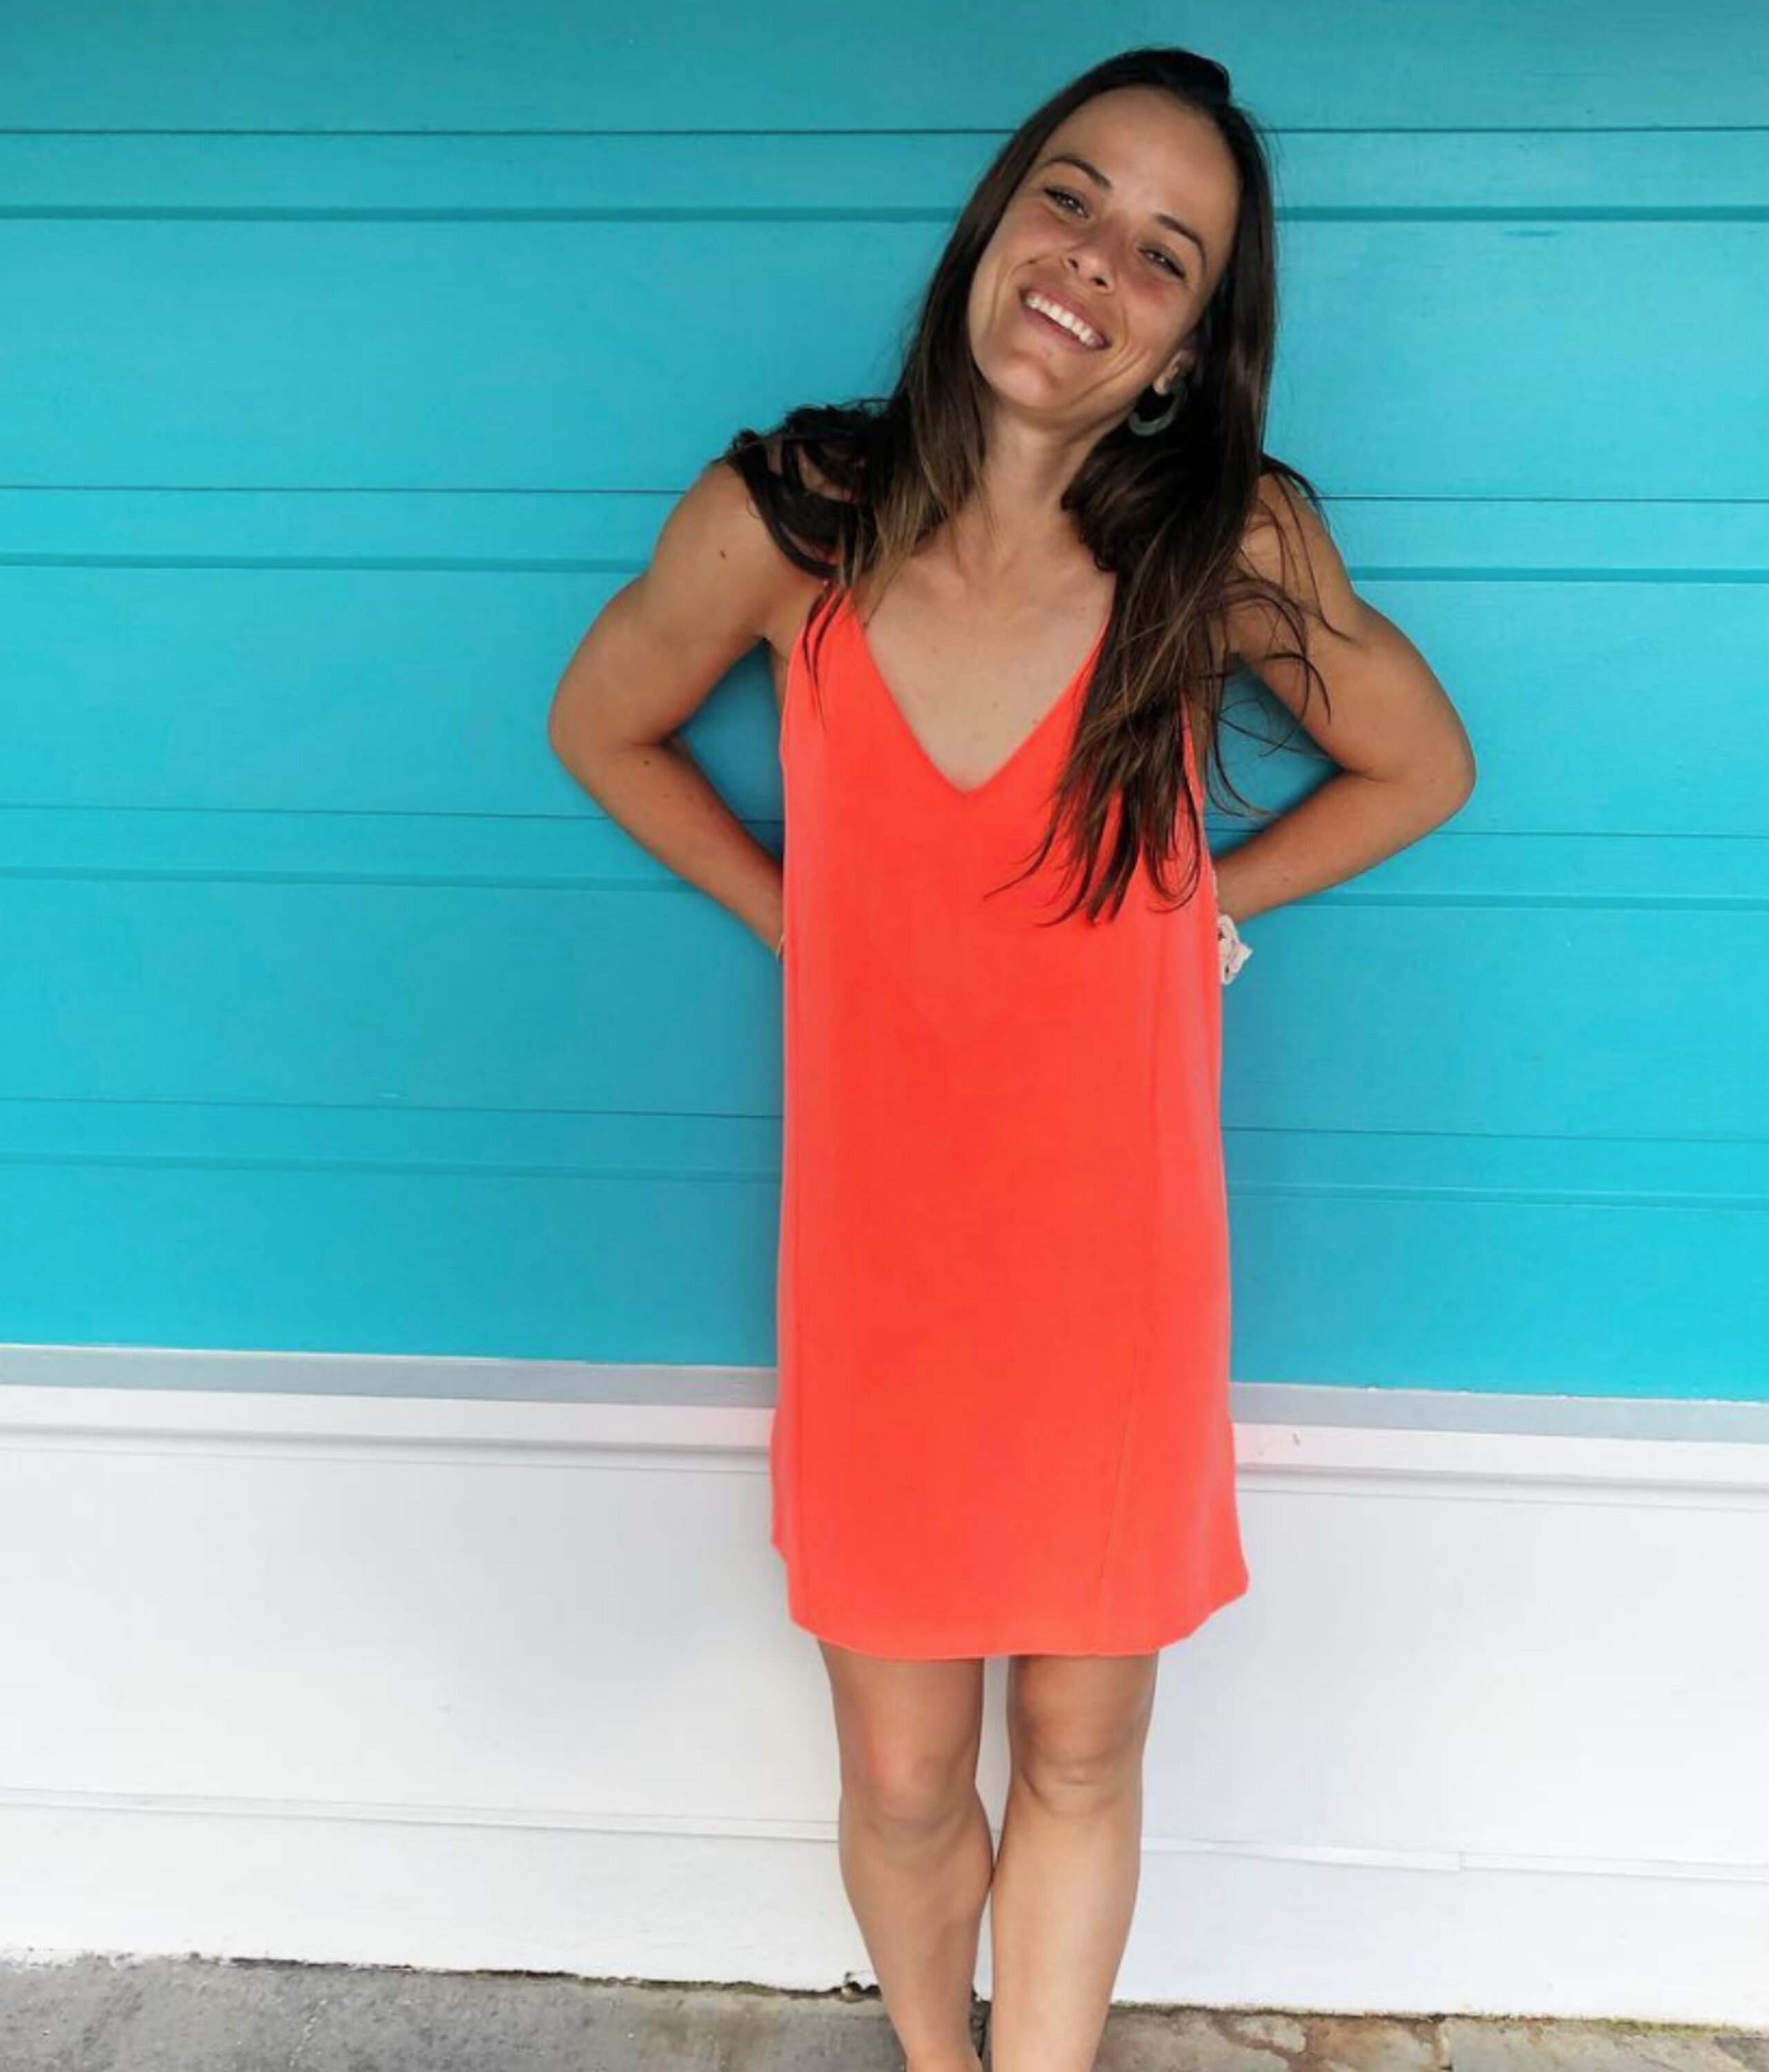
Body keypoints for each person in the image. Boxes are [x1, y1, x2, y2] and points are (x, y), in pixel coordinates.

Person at [548, 45, 1476, 2072]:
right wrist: (799, 917)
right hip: (880, 1268)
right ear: (995, 217)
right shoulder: (793, 521)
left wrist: (1205, 903)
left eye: (1166, 253)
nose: (1094, 264)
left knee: (1078, 1740)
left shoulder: (1222, 548)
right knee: (902, 1775)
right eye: (1071, 196)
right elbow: (599, 721)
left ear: (1187, 349)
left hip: (1112, 1269)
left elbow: (1423, 764)